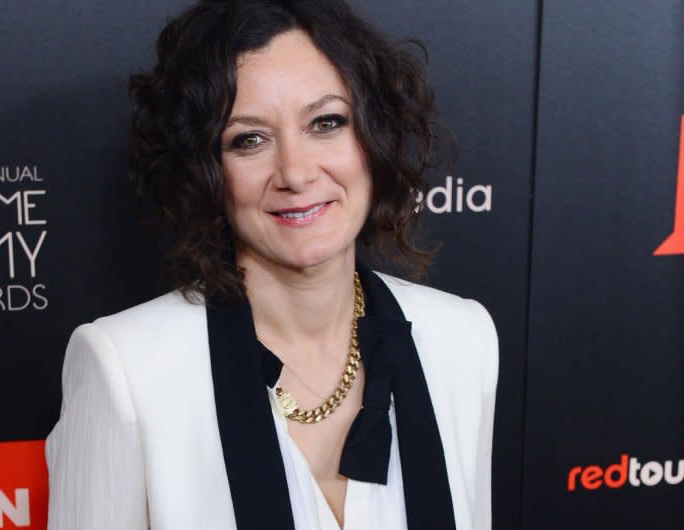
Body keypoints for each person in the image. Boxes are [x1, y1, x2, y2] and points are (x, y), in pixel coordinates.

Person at [45, 1, 498, 529]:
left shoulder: (463, 342)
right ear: (205, 170)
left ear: (373, 138)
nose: (296, 172)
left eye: (326, 122)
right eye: (249, 139)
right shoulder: (126, 371)